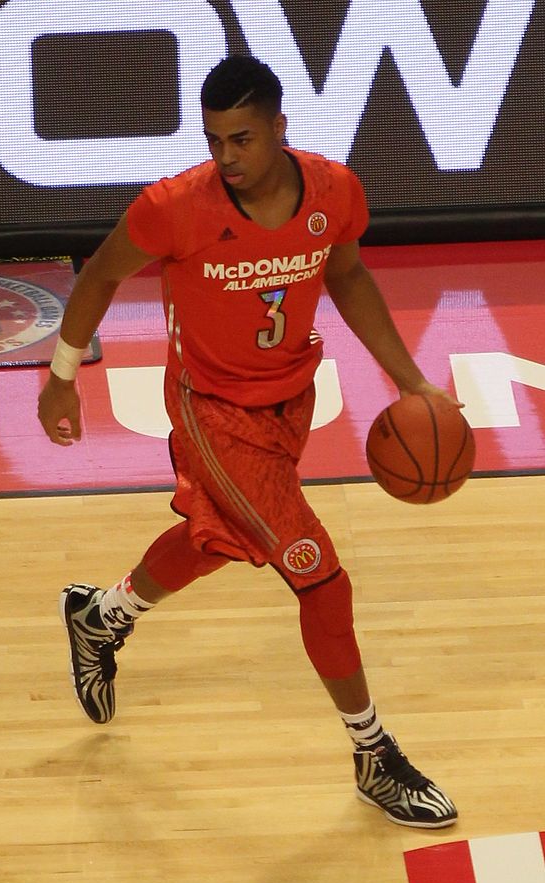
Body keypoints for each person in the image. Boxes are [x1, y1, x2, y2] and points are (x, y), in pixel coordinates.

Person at [38, 55, 459, 829]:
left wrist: (413, 382)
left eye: (241, 139)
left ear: (279, 128)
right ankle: (372, 753)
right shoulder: (176, 207)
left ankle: (102, 614)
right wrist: (63, 376)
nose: (226, 158)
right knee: (321, 578)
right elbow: (98, 275)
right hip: (212, 413)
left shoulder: (334, 191)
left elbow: (350, 275)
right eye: (214, 141)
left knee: (222, 539)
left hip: (289, 399)